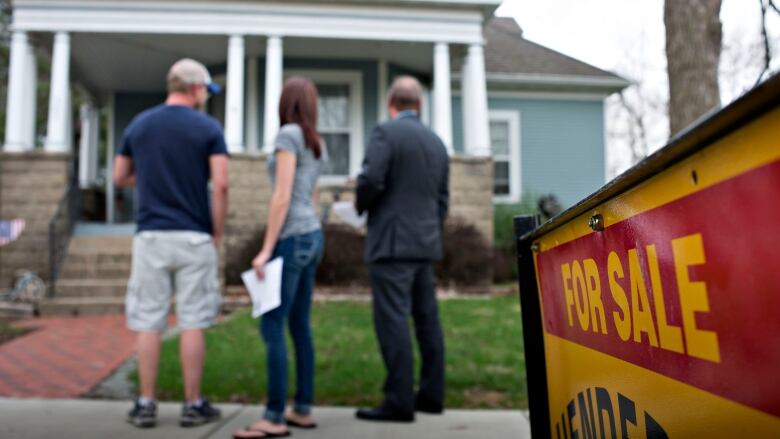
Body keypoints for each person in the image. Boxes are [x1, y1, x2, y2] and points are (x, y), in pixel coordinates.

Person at [114, 58, 228, 429]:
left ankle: (145, 403)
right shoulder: (208, 128)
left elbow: (120, 176)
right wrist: (217, 230)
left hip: (151, 236)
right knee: (193, 319)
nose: (204, 99)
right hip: (194, 235)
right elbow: (222, 184)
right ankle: (193, 404)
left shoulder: (140, 125)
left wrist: (147, 182)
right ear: (195, 89)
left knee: (149, 321)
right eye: (204, 92)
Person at [232, 76, 325, 439]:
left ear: (286, 104)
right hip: (313, 235)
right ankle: (301, 408)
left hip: (291, 237)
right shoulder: (317, 141)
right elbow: (313, 196)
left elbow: (282, 196)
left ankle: (273, 416)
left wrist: (266, 249)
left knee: (273, 325)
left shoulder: (288, 135)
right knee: (299, 325)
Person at [354, 75, 449, 423]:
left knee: (392, 320)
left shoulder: (385, 132)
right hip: (425, 243)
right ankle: (432, 396)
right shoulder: (437, 143)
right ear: (419, 105)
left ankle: (398, 402)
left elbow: (372, 180)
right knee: (427, 320)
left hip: (392, 244)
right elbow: (442, 199)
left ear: (391, 103)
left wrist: (360, 204)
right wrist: (429, 230)